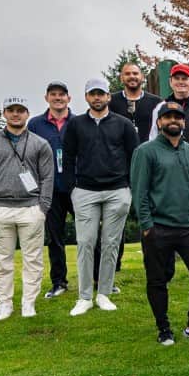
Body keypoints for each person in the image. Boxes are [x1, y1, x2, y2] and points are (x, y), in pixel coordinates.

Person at [131, 102, 189, 347]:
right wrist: (147, 225)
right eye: (167, 117)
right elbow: (139, 191)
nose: (173, 120)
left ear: (184, 122)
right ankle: (164, 329)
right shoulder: (146, 151)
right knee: (158, 280)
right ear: (159, 122)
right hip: (158, 226)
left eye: (178, 117)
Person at [62, 78, 140, 318]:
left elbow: (134, 156)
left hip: (117, 190)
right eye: (92, 94)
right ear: (86, 97)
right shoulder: (75, 124)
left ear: (108, 96)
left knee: (110, 243)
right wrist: (72, 188)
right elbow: (68, 157)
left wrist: (129, 188)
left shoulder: (123, 124)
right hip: (85, 190)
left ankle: (104, 293)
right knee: (86, 242)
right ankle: (84, 296)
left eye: (101, 94)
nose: (97, 98)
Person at [0, 96, 55, 321]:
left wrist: (43, 207)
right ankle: (5, 303)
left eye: (20, 110)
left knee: (33, 259)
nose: (16, 114)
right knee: (2, 260)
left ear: (27, 113)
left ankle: (28, 302)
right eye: (11, 110)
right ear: (4, 114)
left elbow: (48, 177)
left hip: (31, 208)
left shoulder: (40, 143)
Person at [27, 81, 75, 300]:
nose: (58, 98)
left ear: (69, 98)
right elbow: (27, 157)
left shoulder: (78, 122)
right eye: (53, 94)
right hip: (49, 189)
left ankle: (97, 279)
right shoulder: (36, 124)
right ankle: (59, 282)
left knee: (89, 235)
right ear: (46, 97)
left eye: (62, 94)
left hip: (77, 187)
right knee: (55, 237)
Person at [149, 64, 189, 140]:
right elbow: (153, 136)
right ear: (170, 82)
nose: (180, 82)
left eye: (184, 79)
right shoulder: (160, 108)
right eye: (177, 78)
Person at [111, 62, 162, 139]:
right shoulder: (111, 101)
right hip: (120, 149)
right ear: (121, 78)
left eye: (135, 73)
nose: (132, 76)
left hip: (148, 149)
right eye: (127, 74)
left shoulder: (156, 102)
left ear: (142, 77)